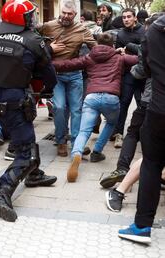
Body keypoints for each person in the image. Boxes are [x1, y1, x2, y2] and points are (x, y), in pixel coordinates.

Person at [0, 0, 57, 222]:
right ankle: (2, 192)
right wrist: (48, 89)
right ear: (22, 18)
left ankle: (33, 174)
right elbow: (48, 71)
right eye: (29, 16)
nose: (32, 19)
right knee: (24, 150)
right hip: (15, 101)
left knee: (26, 136)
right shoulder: (32, 40)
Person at [52, 32, 138, 182]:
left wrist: (49, 63)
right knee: (111, 123)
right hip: (111, 98)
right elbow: (140, 60)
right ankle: (97, 151)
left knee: (84, 131)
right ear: (113, 44)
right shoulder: (119, 57)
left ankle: (77, 153)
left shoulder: (90, 57)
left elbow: (68, 64)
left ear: (97, 44)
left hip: (91, 97)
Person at [118, 13, 165, 245]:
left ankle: (142, 226)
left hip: (159, 110)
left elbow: (143, 69)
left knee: (151, 165)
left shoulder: (154, 31)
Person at [40, 0, 97, 157]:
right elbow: (31, 41)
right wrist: (48, 48)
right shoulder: (48, 26)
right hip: (56, 75)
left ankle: (76, 143)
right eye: (63, 12)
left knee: (77, 110)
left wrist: (111, 54)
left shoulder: (82, 29)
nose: (65, 16)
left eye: (69, 14)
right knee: (58, 108)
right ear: (60, 11)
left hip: (75, 75)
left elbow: (96, 48)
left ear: (75, 15)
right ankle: (61, 141)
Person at [110, 8, 146, 149]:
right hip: (127, 74)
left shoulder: (144, 31)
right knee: (123, 104)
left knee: (141, 105)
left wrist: (129, 47)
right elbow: (119, 54)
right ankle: (118, 133)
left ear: (135, 18)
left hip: (142, 74)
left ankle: (142, 134)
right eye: (124, 17)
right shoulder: (121, 34)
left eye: (129, 17)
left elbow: (145, 50)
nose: (126, 19)